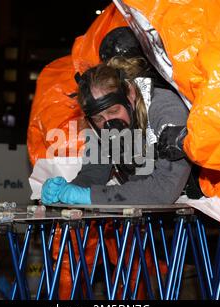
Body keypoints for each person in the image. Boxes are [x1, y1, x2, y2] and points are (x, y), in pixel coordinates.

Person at [41, 56, 191, 206]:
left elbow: (164, 189)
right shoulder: (98, 127)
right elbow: (94, 175)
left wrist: (90, 197)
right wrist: (67, 191)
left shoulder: (165, 109)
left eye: (114, 111)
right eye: (99, 118)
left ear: (131, 94)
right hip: (144, 208)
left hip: (196, 205)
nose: (108, 123)